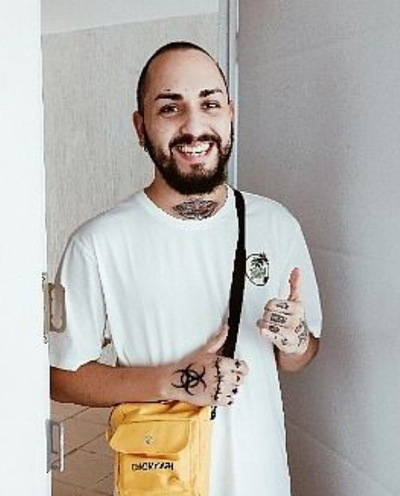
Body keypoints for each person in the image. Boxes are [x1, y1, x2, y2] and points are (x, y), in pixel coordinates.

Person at [50, 41, 322, 496]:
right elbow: (62, 377)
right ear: (141, 127)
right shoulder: (98, 242)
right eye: (170, 108)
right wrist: (174, 381)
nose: (194, 127)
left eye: (210, 104)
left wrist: (294, 339)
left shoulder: (276, 224)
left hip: (262, 478)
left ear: (231, 115)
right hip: (161, 478)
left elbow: (301, 355)